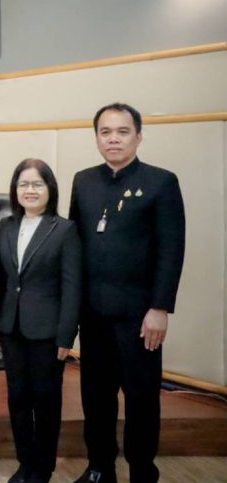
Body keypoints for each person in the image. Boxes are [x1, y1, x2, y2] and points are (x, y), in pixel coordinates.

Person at [69, 103, 185, 483]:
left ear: (138, 136)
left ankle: (142, 470)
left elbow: (171, 249)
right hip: (93, 313)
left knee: (142, 397)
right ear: (96, 138)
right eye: (105, 132)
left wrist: (160, 307)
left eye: (122, 131)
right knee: (95, 397)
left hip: (140, 315)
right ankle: (99, 467)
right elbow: (74, 245)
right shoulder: (83, 181)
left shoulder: (161, 182)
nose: (113, 139)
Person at [0, 159, 82, 483]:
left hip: (48, 331)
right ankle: (25, 462)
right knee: (18, 398)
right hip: (11, 328)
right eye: (23, 184)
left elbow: (72, 287)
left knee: (45, 399)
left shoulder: (64, 229)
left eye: (37, 184)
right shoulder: (5, 227)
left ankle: (42, 467)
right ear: (15, 190)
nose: (29, 190)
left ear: (50, 189)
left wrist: (66, 336)